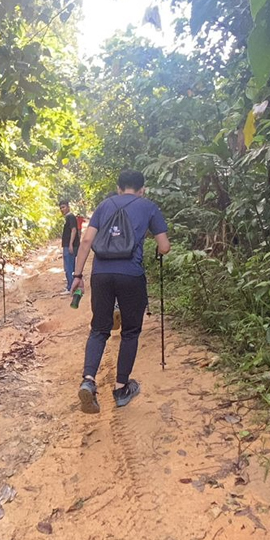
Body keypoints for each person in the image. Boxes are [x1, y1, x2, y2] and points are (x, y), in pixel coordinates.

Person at [70, 170, 170, 413]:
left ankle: (88, 380)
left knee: (99, 329)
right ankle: (121, 387)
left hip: (101, 275)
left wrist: (77, 276)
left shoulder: (104, 205)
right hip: (131, 275)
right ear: (142, 189)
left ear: (118, 188)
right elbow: (164, 246)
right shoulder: (148, 206)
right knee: (130, 331)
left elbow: (86, 241)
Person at [59, 200, 80, 294]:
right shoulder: (68, 217)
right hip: (68, 245)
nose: (62, 209)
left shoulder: (70, 217)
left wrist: (70, 244)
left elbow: (74, 230)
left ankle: (71, 287)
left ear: (68, 207)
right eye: (60, 208)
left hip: (69, 246)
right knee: (71, 266)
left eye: (63, 207)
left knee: (68, 267)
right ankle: (72, 286)